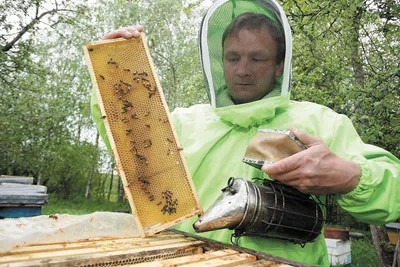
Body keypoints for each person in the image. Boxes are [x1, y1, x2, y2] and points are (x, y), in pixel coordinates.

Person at [92, 0, 400, 265]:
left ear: (280, 65)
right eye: (233, 57)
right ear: (220, 62)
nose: (242, 70)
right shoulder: (183, 123)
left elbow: (394, 194)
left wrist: (350, 177)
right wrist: (114, 71)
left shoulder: (320, 121)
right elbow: (130, 147)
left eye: (257, 58)